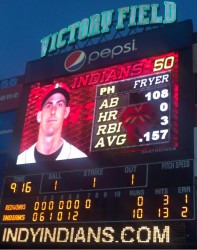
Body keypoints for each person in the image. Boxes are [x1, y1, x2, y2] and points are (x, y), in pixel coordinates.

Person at [17, 83, 87, 164]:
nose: (53, 111)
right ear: (39, 115)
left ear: (66, 112)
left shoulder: (79, 158)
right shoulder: (20, 160)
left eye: (60, 105)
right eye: (49, 105)